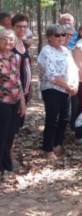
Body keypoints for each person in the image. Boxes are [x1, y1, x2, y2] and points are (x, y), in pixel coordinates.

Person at [38, 24, 79, 159]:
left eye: (63, 34)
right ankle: (48, 149)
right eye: (57, 35)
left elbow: (73, 69)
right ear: (49, 37)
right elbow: (51, 74)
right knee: (53, 119)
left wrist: (75, 85)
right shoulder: (46, 51)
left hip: (66, 90)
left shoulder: (66, 50)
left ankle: (58, 144)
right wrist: (68, 86)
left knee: (65, 118)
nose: (61, 37)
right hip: (52, 90)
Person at [0, 29, 26, 175]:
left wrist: (22, 102)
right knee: (1, 135)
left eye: (11, 39)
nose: (8, 42)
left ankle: (6, 164)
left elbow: (18, 81)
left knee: (10, 135)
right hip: (2, 102)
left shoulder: (15, 57)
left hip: (14, 100)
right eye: (4, 38)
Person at [11, 14, 32, 109]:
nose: (22, 29)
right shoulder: (8, 45)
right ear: (12, 27)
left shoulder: (25, 44)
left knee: (20, 122)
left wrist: (30, 88)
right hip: (11, 91)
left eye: (24, 27)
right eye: (19, 26)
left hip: (25, 91)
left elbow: (27, 67)